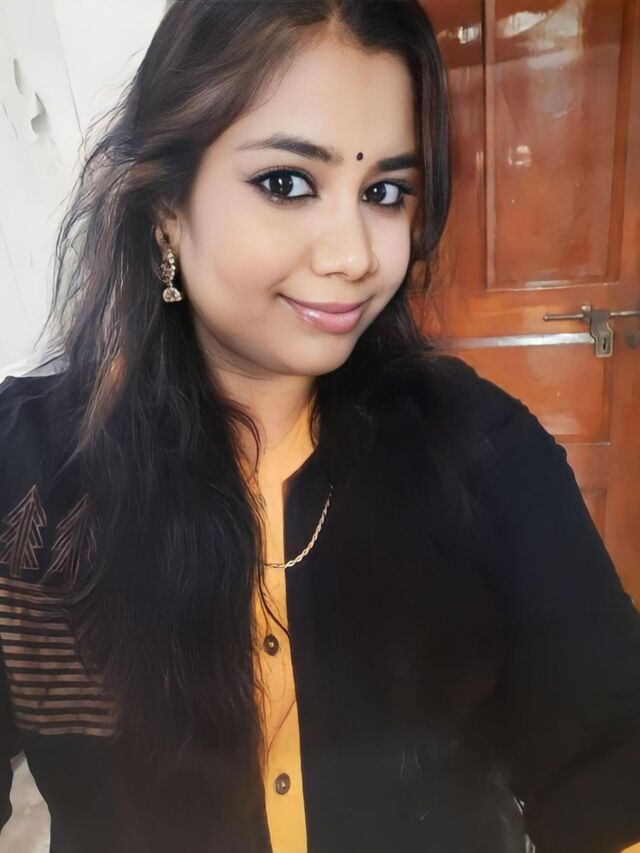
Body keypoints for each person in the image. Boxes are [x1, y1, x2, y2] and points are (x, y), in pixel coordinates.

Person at [1, 1, 639, 851]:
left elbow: (609, 765)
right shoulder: (27, 473)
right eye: (287, 183)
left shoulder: (486, 451)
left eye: (385, 193)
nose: (356, 255)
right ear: (165, 208)